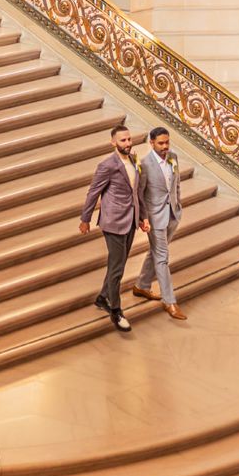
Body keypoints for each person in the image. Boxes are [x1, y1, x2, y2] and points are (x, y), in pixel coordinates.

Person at [79, 124, 149, 332]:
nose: (127, 143)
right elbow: (93, 193)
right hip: (113, 222)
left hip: (131, 220)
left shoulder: (134, 160)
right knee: (117, 267)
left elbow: (138, 192)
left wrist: (143, 217)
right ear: (113, 142)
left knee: (117, 264)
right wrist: (85, 219)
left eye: (129, 139)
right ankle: (116, 311)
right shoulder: (107, 165)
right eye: (122, 141)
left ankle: (102, 297)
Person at [132, 126, 187, 321]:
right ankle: (169, 301)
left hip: (173, 213)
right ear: (152, 143)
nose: (165, 146)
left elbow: (176, 184)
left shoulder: (173, 157)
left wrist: (178, 205)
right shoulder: (145, 164)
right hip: (155, 218)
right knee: (162, 257)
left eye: (167, 142)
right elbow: (140, 194)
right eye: (161, 143)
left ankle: (141, 285)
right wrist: (144, 218)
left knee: (155, 252)